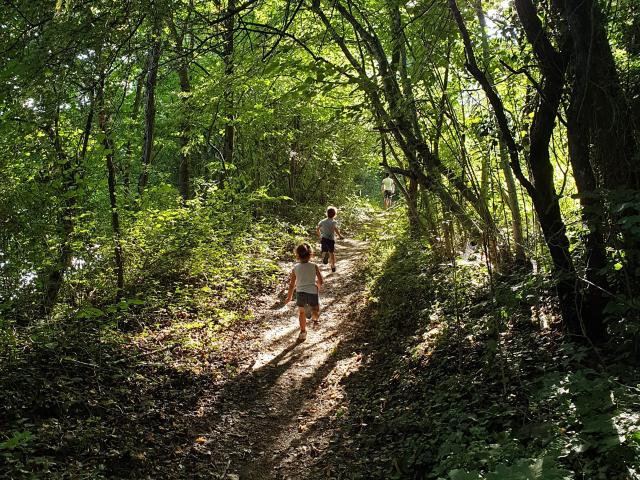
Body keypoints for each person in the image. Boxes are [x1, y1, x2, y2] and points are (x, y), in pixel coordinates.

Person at [285, 243, 323, 341]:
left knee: (301, 313)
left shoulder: (295, 268)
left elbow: (292, 285)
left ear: (297, 255)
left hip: (300, 293)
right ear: (311, 254)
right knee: (315, 309)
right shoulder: (314, 266)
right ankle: (315, 320)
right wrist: (317, 289)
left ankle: (303, 332)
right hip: (312, 292)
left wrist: (289, 297)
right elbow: (321, 281)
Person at [316, 206, 344, 273]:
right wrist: (340, 235)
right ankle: (333, 265)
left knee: (324, 251)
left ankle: (325, 254)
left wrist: (320, 236)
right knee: (332, 253)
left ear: (326, 213)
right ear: (335, 215)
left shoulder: (322, 221)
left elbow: (317, 229)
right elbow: (335, 229)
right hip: (331, 239)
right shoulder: (333, 222)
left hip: (324, 238)